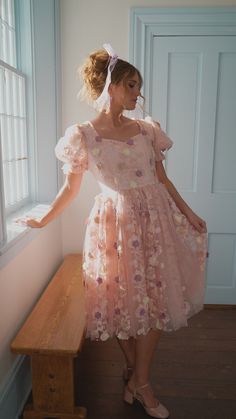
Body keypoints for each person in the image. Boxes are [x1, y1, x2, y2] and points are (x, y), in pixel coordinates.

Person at [19, 44, 207, 419]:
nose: (138, 93)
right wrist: (43, 220)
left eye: (139, 86)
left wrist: (188, 212)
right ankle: (138, 381)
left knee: (154, 302)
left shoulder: (146, 130)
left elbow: (161, 178)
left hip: (155, 220)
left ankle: (141, 381)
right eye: (132, 85)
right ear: (111, 86)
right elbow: (70, 189)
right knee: (121, 305)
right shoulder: (82, 135)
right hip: (114, 226)